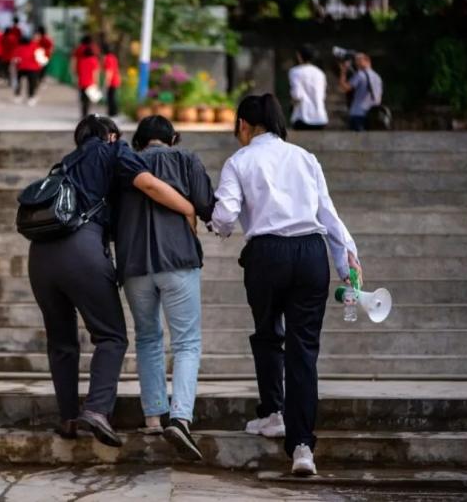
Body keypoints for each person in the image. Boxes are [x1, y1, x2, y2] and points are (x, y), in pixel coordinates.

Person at [210, 94, 362, 476]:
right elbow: (327, 213)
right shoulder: (304, 158)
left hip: (266, 255)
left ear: (243, 124)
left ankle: (273, 412)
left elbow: (225, 214)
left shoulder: (239, 161)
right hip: (311, 253)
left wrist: (220, 227)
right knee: (303, 350)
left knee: (267, 334)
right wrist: (346, 263)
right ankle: (301, 447)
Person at [28, 115, 197, 448]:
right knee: (111, 336)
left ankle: (68, 418)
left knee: (62, 341)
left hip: (40, 258)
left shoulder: (64, 165)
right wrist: (188, 208)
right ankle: (97, 410)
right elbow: (148, 184)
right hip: (82, 250)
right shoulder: (113, 150)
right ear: (111, 135)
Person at [114, 116, 215, 461]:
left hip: (133, 266)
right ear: (173, 138)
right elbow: (207, 206)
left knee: (147, 338)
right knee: (186, 342)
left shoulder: (125, 163)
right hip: (178, 260)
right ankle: (181, 417)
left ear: (139, 141)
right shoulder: (186, 159)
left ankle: (154, 417)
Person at [338, 52, 383, 131]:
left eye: (359, 60)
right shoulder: (378, 77)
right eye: (356, 61)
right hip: (372, 114)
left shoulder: (360, 74)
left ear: (367, 60)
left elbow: (344, 88)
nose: (356, 63)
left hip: (358, 112)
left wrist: (343, 71)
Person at [288, 44, 328, 130]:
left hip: (302, 116)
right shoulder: (320, 73)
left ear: (299, 56)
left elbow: (297, 95)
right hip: (320, 117)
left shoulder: (295, 72)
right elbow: (323, 96)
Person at [12, 35, 43, 106]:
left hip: (21, 68)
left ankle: (17, 96)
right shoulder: (35, 46)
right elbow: (40, 58)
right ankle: (31, 98)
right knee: (32, 84)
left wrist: (14, 67)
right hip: (33, 69)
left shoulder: (19, 48)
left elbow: (15, 60)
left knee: (18, 82)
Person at [76, 44, 100, 118]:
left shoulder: (81, 60)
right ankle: (88, 115)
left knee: (83, 100)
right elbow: (95, 73)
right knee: (90, 100)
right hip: (90, 83)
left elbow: (79, 72)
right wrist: (96, 82)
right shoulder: (94, 60)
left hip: (82, 83)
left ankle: (83, 114)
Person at [102, 44, 121, 117]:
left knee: (111, 97)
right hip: (116, 79)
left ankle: (112, 112)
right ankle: (114, 111)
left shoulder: (108, 58)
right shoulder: (113, 57)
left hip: (112, 81)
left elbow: (109, 71)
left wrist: (107, 82)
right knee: (113, 96)